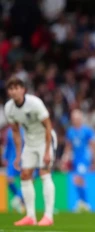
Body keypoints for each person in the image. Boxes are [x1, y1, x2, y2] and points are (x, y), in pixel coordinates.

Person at [4, 77, 57, 226]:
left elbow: (48, 126)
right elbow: (15, 131)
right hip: (30, 142)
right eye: (11, 89)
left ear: (23, 90)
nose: (14, 91)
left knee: (44, 173)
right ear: (8, 92)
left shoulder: (34, 103)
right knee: (25, 175)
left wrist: (47, 152)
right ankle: (30, 216)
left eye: (16, 88)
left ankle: (48, 216)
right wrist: (18, 154)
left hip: (45, 139)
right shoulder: (9, 108)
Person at [62, 109, 95, 212]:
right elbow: (68, 147)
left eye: (77, 118)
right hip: (75, 159)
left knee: (78, 179)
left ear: (81, 119)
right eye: (74, 119)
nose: (76, 120)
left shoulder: (87, 130)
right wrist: (65, 158)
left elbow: (93, 145)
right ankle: (82, 202)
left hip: (84, 158)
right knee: (78, 180)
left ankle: (85, 203)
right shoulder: (70, 131)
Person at [2, 126, 25, 213]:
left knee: (26, 180)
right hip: (12, 159)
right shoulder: (9, 132)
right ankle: (18, 199)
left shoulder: (24, 130)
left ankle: (18, 199)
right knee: (9, 180)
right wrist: (5, 157)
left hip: (23, 159)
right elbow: (8, 145)